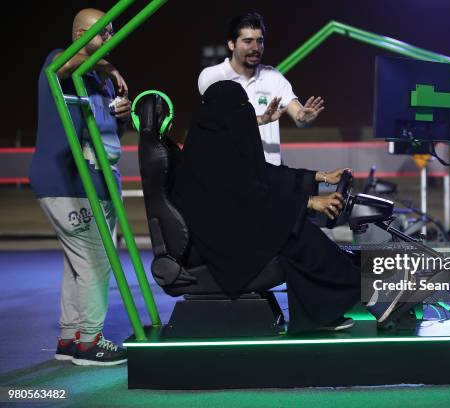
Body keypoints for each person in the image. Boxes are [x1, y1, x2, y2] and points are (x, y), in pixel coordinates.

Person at [172, 81, 361, 333]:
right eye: (240, 108)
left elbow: (261, 177)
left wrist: (322, 176)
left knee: (298, 233)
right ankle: (331, 308)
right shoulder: (208, 152)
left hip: (233, 228)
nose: (245, 113)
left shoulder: (217, 141)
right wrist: (309, 202)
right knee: (299, 236)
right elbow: (241, 195)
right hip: (219, 242)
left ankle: (323, 310)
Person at [29, 8, 131, 365]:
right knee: (95, 260)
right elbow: (63, 66)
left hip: (95, 183)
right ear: (80, 36)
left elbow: (105, 139)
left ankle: (71, 337)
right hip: (67, 181)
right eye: (102, 33)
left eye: (112, 32)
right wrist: (108, 66)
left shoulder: (97, 82)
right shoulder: (59, 62)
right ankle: (89, 342)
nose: (109, 39)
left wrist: (121, 117)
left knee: (78, 263)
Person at [197, 11, 324, 166]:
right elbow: (223, 120)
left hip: (271, 175)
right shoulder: (212, 76)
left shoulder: (273, 76)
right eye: (248, 41)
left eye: (260, 41)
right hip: (230, 173)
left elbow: (299, 116)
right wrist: (262, 120)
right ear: (231, 44)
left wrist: (303, 119)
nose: (255, 47)